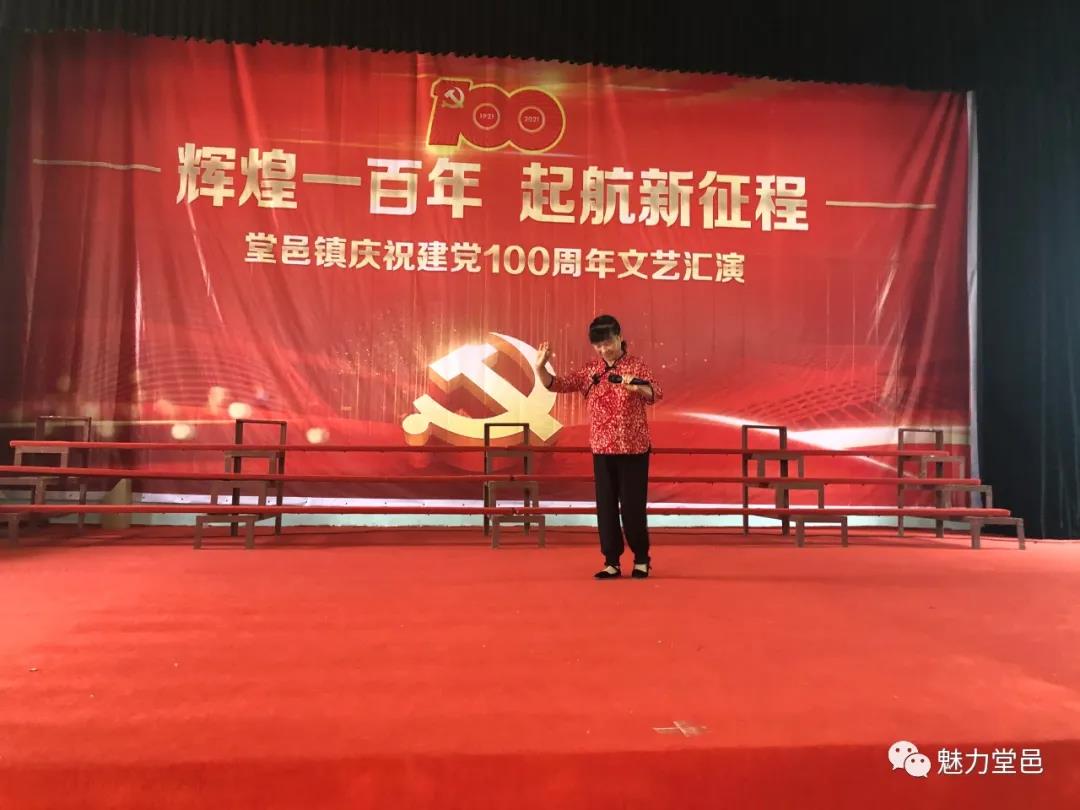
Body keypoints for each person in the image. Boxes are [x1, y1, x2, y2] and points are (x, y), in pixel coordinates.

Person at [534, 315, 663, 579]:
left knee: (632, 507)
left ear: (619, 338)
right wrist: (540, 367)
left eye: (608, 343)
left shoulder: (636, 366)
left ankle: (641, 558)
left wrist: (637, 387)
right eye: (598, 345)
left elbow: (656, 393)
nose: (604, 349)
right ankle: (611, 561)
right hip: (602, 449)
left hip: (633, 448)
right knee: (606, 508)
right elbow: (557, 384)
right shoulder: (590, 371)